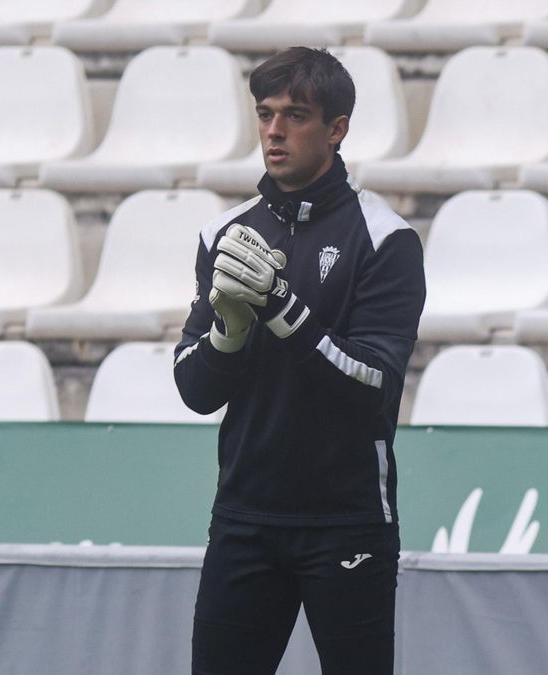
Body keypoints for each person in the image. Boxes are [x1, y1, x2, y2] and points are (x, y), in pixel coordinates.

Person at [173, 47, 426, 675]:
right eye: (264, 114)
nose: (275, 131)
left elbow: (374, 384)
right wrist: (229, 336)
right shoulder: (225, 234)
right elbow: (193, 387)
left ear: (337, 129)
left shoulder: (387, 239)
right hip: (244, 516)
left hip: (347, 523)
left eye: (295, 115)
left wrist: (284, 309)